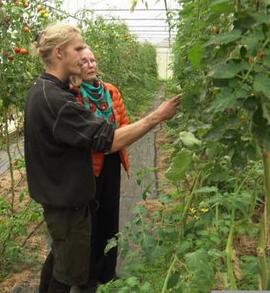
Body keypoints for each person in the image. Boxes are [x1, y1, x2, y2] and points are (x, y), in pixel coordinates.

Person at [24, 22, 180, 293]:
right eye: (79, 48)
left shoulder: (45, 89)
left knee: (60, 257)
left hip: (61, 197)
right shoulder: (57, 100)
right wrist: (157, 116)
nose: (85, 54)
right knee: (68, 272)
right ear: (59, 53)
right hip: (67, 203)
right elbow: (109, 139)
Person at [69, 47, 130, 291]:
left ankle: (108, 271)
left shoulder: (110, 91)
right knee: (89, 222)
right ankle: (88, 277)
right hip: (87, 166)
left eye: (92, 60)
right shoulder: (72, 96)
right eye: (83, 61)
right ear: (74, 66)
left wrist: (117, 140)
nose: (90, 64)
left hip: (111, 160)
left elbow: (124, 123)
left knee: (109, 215)